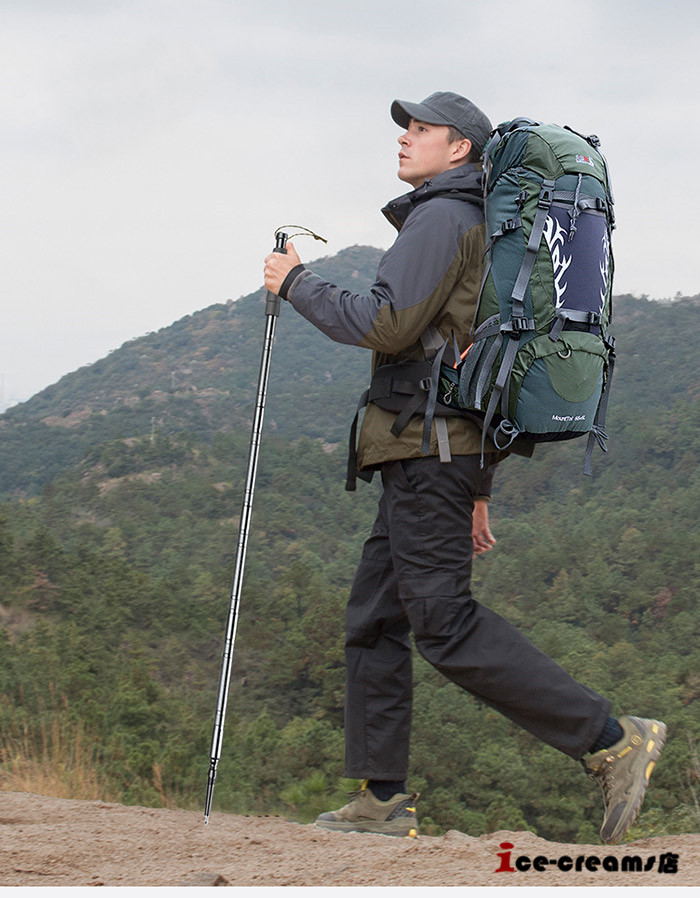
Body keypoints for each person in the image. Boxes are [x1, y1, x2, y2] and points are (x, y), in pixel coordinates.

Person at [263, 92, 665, 844]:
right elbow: (478, 358)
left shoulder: (442, 216)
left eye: (422, 130)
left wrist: (296, 284)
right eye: (405, 128)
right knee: (375, 620)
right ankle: (382, 798)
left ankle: (611, 738)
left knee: (442, 622)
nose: (405, 139)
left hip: (427, 451)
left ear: (461, 149)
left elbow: (387, 322)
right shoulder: (487, 221)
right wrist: (478, 486)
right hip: (439, 453)